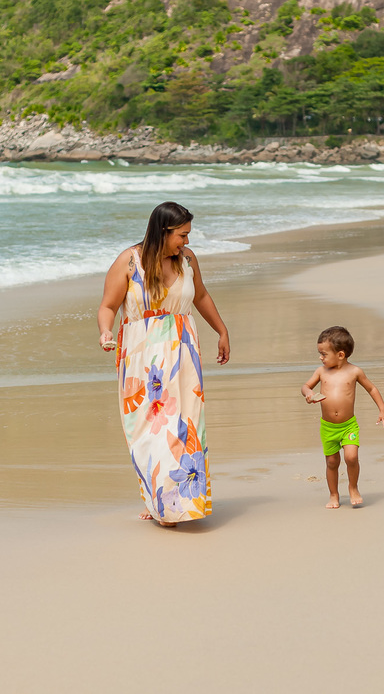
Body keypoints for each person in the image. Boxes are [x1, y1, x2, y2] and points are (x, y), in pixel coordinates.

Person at [97, 202, 230, 526]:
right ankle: (159, 498)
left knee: (185, 427)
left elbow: (200, 296)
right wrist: (105, 332)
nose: (185, 241)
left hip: (183, 354)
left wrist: (222, 330)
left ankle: (180, 502)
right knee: (148, 430)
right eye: (181, 235)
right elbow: (108, 306)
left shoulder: (187, 260)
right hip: (143, 359)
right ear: (163, 231)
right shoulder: (130, 261)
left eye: (187, 235)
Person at [300, 326, 384, 509]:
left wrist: (382, 409)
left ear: (340, 355)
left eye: (324, 354)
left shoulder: (354, 372)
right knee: (332, 462)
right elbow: (305, 386)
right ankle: (334, 494)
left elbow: (372, 388)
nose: (321, 357)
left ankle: (353, 487)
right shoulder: (321, 372)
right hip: (328, 427)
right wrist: (309, 394)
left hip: (348, 426)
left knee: (351, 457)